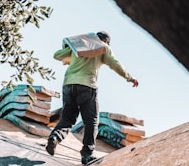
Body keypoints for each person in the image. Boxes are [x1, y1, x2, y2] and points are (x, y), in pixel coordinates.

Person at [45, 31, 139, 165]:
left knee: (67, 118)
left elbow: (56, 56)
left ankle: (54, 138)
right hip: (87, 87)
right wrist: (129, 78)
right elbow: (115, 64)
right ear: (106, 41)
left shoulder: (80, 46)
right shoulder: (104, 48)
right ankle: (87, 155)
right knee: (91, 121)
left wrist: (69, 48)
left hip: (68, 85)